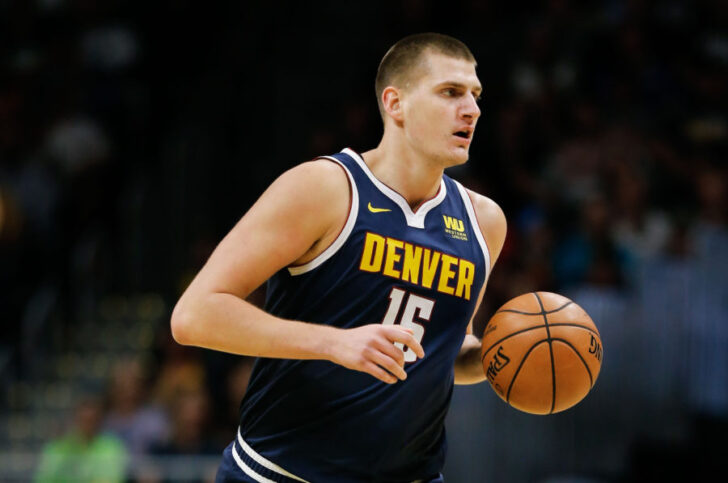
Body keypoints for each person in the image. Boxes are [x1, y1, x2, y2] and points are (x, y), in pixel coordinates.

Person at [171, 33, 506, 483]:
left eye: (475, 95)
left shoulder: (484, 221)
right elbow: (195, 315)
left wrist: (498, 358)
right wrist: (334, 342)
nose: (471, 109)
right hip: (283, 473)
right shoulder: (325, 189)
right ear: (396, 103)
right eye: (450, 92)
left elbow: (446, 346)